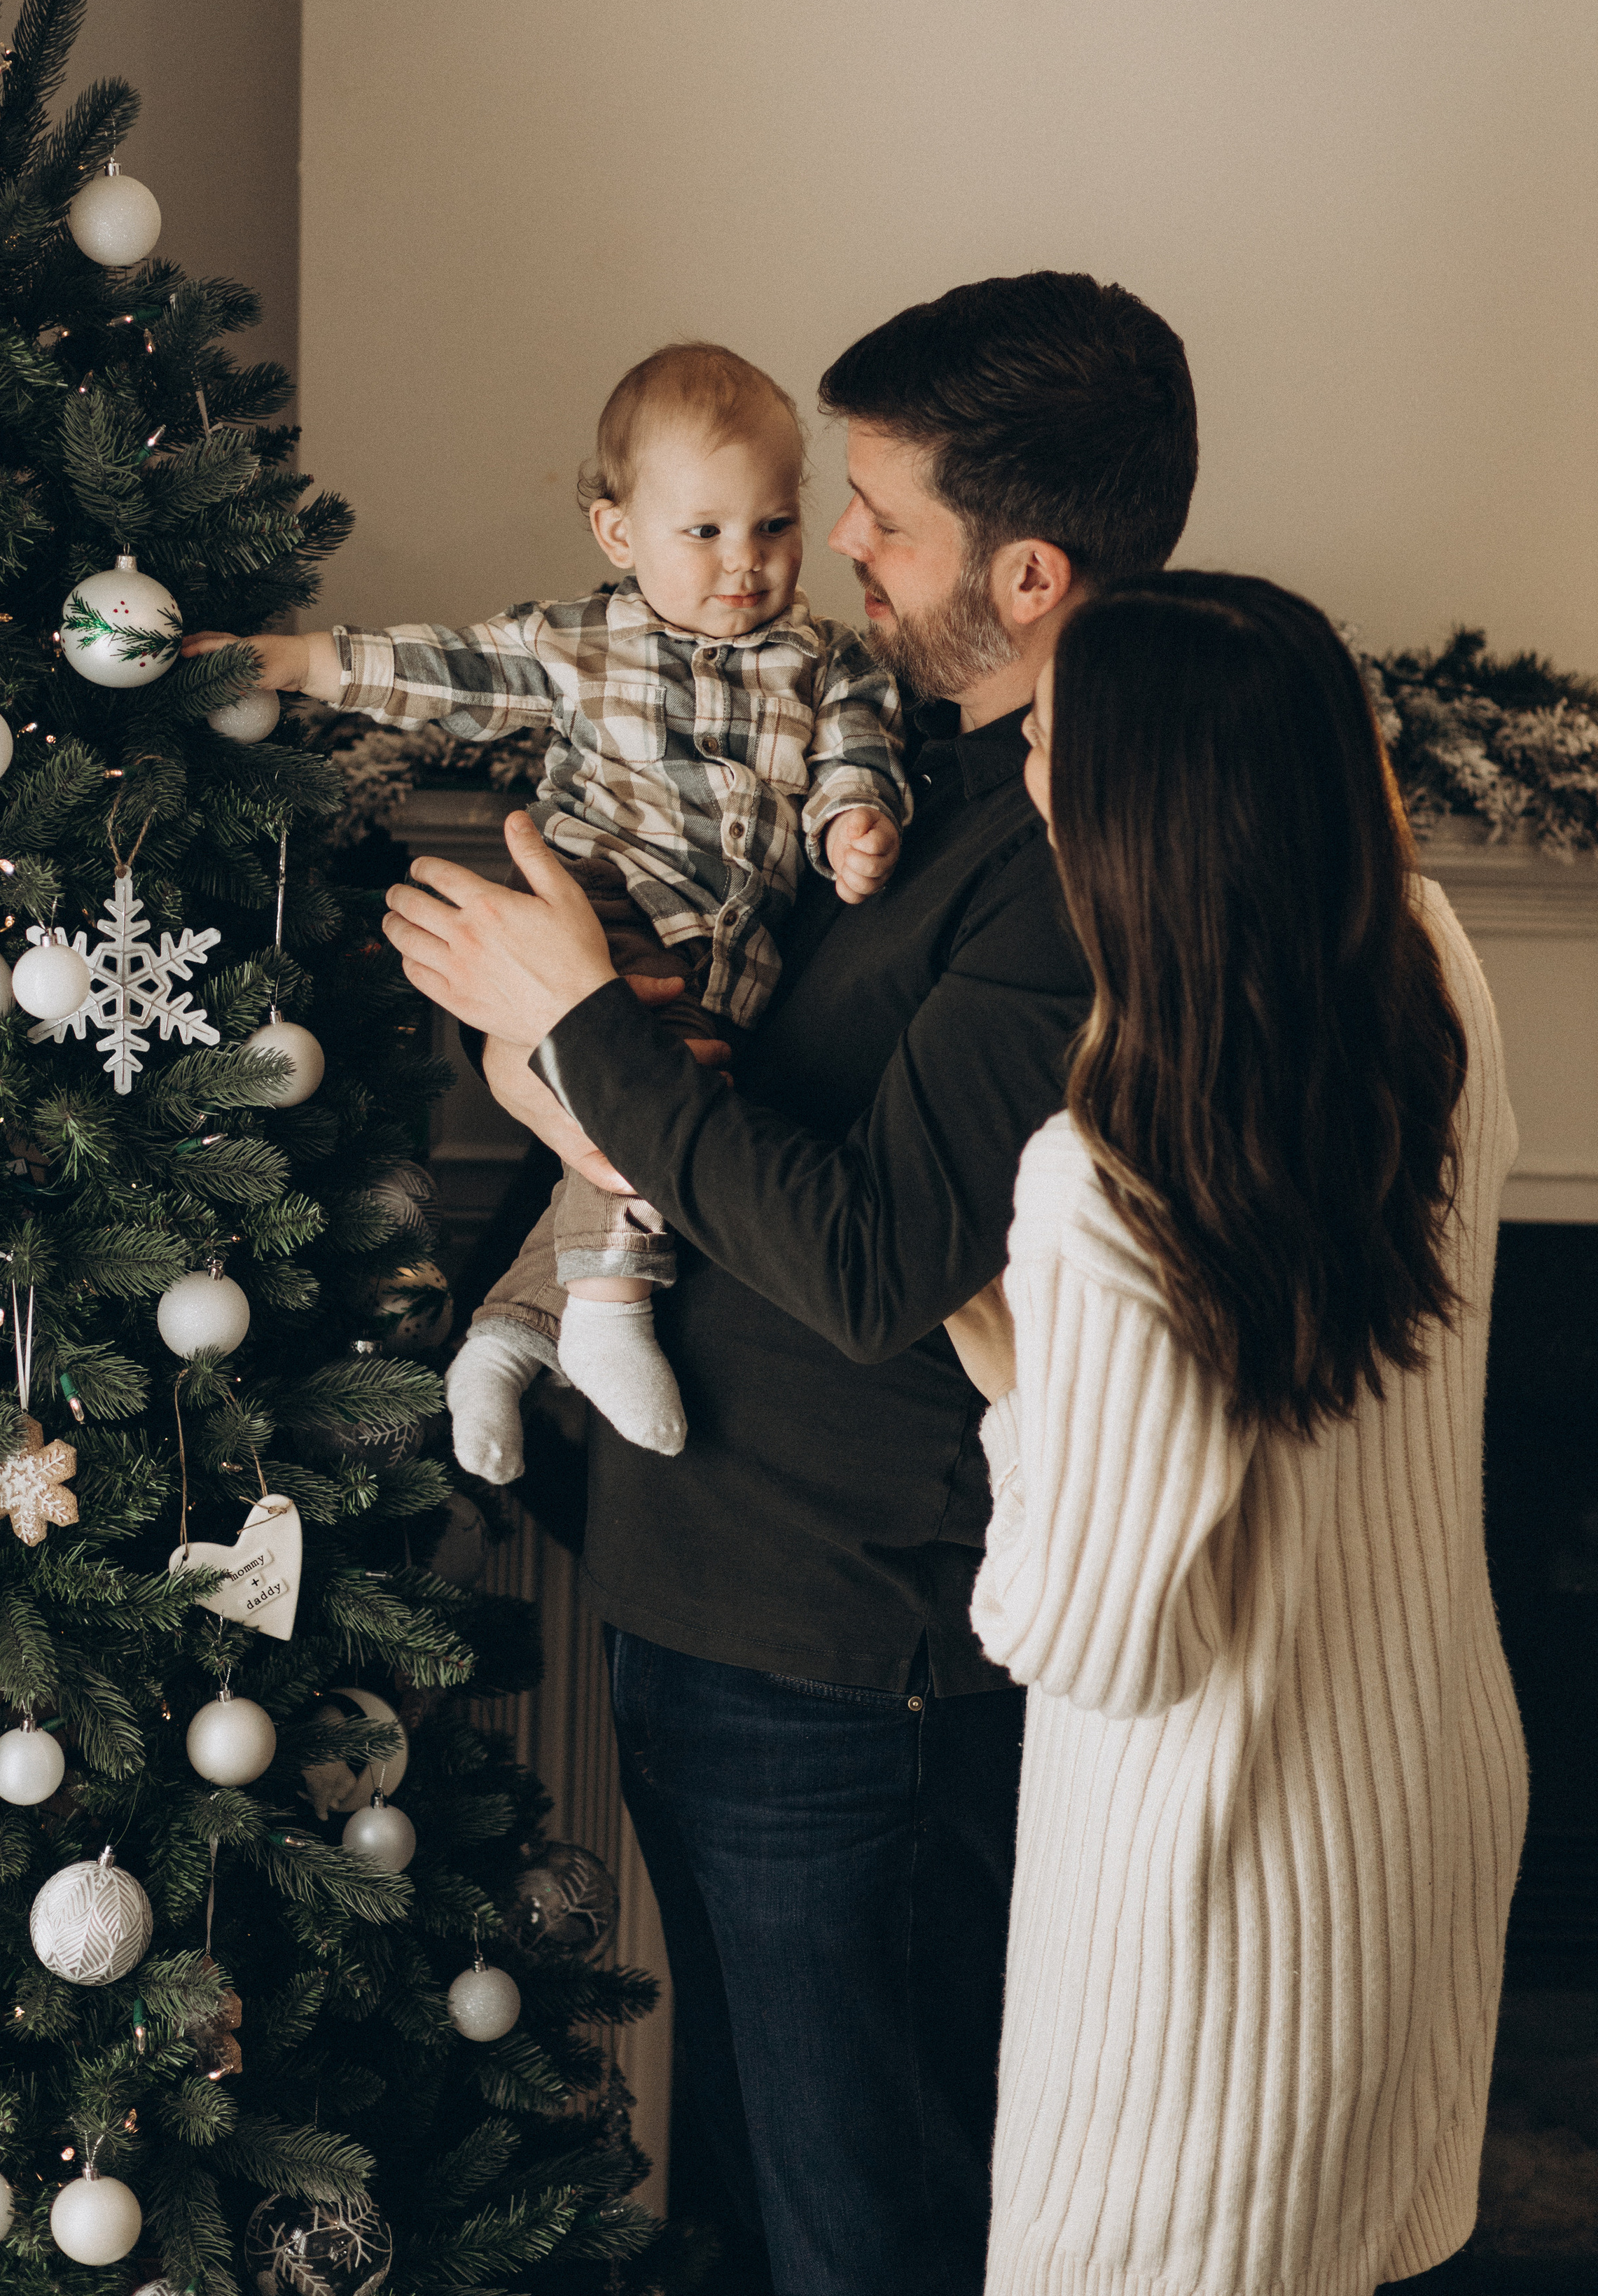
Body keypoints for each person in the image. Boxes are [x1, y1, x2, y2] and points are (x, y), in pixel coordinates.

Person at [382, 272, 1200, 2296]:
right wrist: (579, 1037)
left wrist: (575, 1021)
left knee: (872, 2238)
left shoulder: (1082, 859)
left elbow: (870, 1258)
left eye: (879, 516)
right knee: (749, 2216)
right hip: (714, 1606)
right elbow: (748, 1108)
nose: (829, 548)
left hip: (853, 1674)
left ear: (1024, 572)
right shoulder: (911, 775)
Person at [971, 574, 1525, 2296]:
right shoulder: (1435, 999)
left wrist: (1012, 1387)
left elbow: (1092, 1635)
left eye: (1048, 733)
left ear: (1130, 810)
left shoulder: (1100, 1178)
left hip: (1208, 1924)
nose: (1020, 760)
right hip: (1414, 1818)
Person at [181, 342, 910, 1479]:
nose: (745, 564)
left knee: (655, 1108)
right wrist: (293, 661)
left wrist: (856, 821)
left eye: (772, 526)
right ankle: (610, 1315)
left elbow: (860, 754)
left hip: (730, 955)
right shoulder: (583, 645)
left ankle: (509, 1336)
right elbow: (445, 670)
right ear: (620, 533)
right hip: (603, 911)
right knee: (660, 1085)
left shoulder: (827, 660)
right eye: (704, 532)